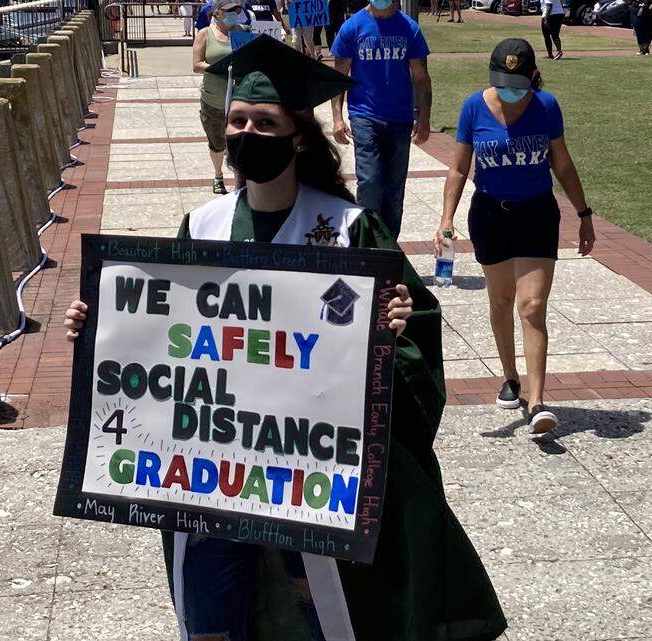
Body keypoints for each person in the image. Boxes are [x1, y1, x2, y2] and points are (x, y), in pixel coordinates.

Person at [65, 35, 507, 641]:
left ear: (298, 136)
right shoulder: (203, 225)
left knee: (323, 611)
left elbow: (411, 342)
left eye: (265, 122)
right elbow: (164, 330)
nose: (247, 132)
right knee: (218, 604)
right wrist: (100, 330)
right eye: (238, 120)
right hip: (214, 466)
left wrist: (396, 329)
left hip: (307, 468)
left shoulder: (350, 231)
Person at [434, 39, 595, 433]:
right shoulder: (474, 106)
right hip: (490, 213)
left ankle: (538, 401)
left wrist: (584, 213)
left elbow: (562, 162)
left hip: (537, 212)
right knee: (502, 299)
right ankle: (510, 376)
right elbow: (458, 169)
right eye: (503, 81)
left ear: (531, 78)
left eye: (518, 82)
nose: (510, 89)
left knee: (532, 305)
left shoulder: (546, 106)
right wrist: (446, 218)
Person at [330, 0, 432, 240]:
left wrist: (424, 118)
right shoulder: (352, 27)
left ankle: (388, 246)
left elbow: (421, 79)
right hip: (364, 116)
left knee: (394, 189)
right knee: (371, 182)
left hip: (400, 119)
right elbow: (338, 77)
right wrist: (337, 118)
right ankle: (366, 243)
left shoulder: (409, 29)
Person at [193, 0, 249, 194]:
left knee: (240, 140)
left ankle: (240, 180)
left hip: (239, 98)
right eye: (228, 11)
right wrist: (220, 69)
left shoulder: (243, 31)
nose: (233, 13)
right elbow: (196, 64)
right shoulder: (204, 34)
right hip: (214, 98)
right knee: (217, 142)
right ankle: (218, 175)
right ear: (217, 13)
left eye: (237, 10)